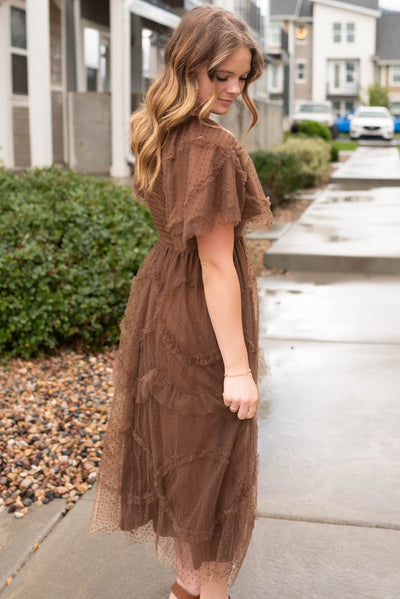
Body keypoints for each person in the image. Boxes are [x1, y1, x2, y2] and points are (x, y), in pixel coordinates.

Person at [88, 6, 273, 599]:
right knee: (210, 474)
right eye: (221, 75)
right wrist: (239, 368)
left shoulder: (162, 130)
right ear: (187, 64)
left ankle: (187, 590)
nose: (234, 90)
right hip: (196, 318)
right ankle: (201, 591)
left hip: (163, 302)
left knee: (191, 460)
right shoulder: (210, 148)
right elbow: (218, 264)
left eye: (242, 77)